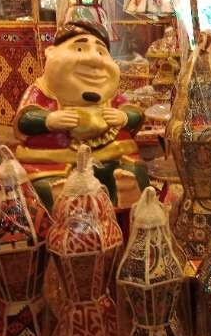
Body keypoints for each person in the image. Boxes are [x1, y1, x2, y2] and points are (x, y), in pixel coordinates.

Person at [13, 21, 148, 210]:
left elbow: (135, 114)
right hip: (57, 160)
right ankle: (69, 224)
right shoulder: (43, 90)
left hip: (113, 156)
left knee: (135, 174)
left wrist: (124, 117)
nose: (94, 59)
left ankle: (123, 218)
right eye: (79, 49)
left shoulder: (110, 94)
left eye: (101, 52)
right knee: (50, 189)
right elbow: (24, 119)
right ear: (51, 52)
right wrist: (49, 120)